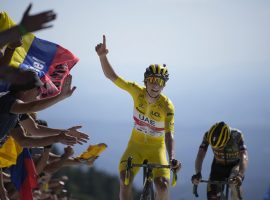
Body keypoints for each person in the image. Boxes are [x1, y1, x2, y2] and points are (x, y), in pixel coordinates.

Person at [95, 35, 180, 200]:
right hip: (135, 146)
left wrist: (172, 158)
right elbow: (112, 77)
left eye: (160, 82)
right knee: (124, 181)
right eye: (153, 80)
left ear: (163, 85)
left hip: (157, 149)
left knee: (162, 186)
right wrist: (102, 57)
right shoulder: (136, 91)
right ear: (146, 81)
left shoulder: (167, 106)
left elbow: (169, 135)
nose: (156, 85)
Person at [191, 121, 248, 200]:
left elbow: (244, 156)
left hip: (235, 165)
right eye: (215, 147)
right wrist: (198, 173)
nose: (218, 149)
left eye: (220, 147)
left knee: (234, 184)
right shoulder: (207, 135)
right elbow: (200, 155)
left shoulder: (237, 136)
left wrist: (240, 175)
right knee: (212, 196)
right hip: (218, 167)